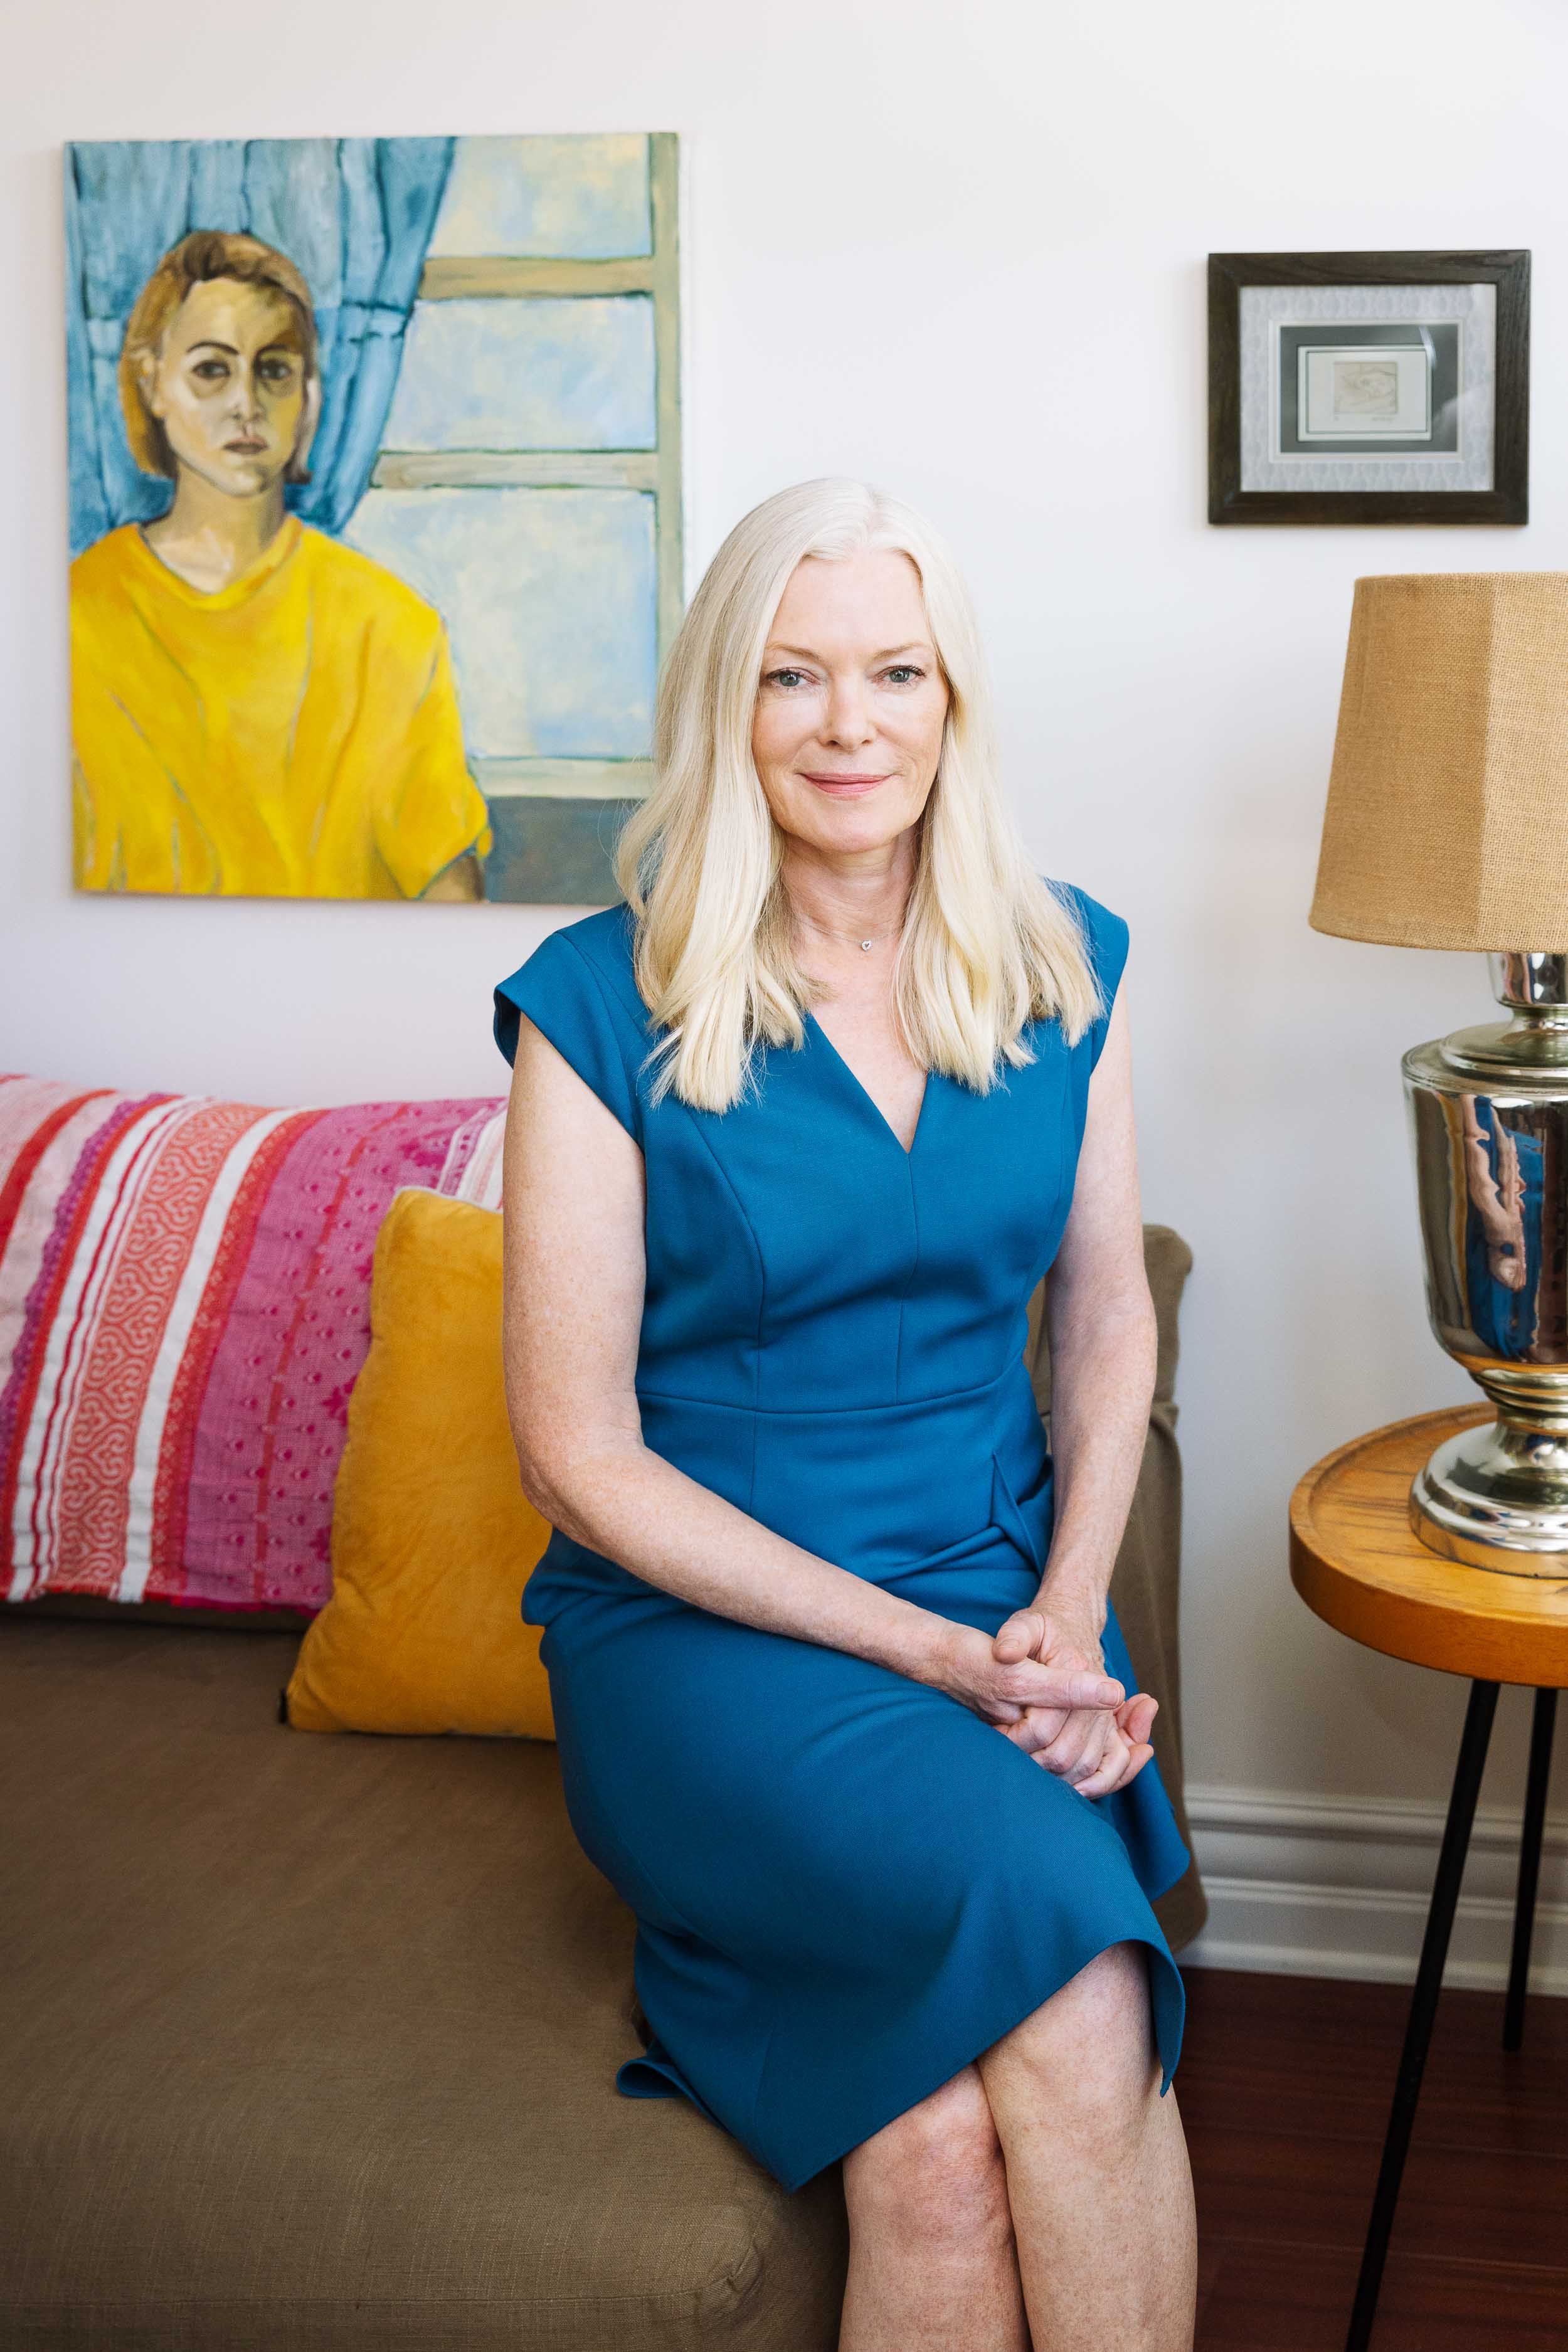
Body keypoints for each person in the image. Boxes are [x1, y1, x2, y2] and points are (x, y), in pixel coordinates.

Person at [494, 478, 1197, 2350]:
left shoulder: (1065, 962)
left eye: (894, 669)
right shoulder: (593, 999)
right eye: (791, 675)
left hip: (986, 1578)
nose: (847, 722)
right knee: (1079, 2000)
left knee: (931, 2159)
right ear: (725, 707)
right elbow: (574, 1450)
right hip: (705, 1637)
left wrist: (1057, 1600)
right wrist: (944, 1658)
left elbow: (1105, 1307)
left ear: (952, 699)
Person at [70, 230, 492, 901]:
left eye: (273, 369)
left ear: (308, 397)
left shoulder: (390, 627)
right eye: (212, 369)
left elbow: (451, 897)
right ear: (153, 383)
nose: (246, 403)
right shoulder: (73, 617)